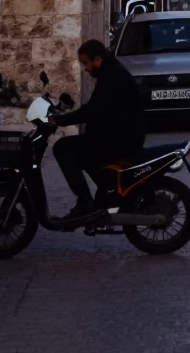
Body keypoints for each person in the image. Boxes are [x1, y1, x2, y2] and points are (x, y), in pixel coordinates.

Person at [49, 39, 145, 219]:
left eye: (86, 63)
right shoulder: (111, 72)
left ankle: (85, 201)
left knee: (62, 148)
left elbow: (93, 110)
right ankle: (107, 188)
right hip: (118, 135)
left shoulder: (111, 76)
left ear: (97, 59)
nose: (85, 68)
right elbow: (97, 107)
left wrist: (60, 120)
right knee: (81, 151)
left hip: (120, 140)